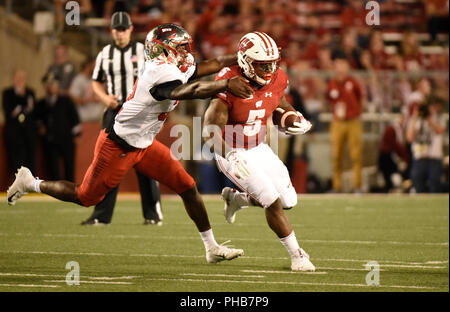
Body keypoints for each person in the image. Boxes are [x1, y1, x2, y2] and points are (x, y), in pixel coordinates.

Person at [7, 23, 253, 264]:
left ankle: (211, 248)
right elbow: (187, 91)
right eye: (180, 47)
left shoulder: (174, 65)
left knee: (188, 187)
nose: (186, 52)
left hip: (144, 145)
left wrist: (245, 57)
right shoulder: (159, 72)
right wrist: (224, 84)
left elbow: (215, 63)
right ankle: (31, 183)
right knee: (85, 196)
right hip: (118, 146)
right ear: (163, 50)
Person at [203, 32, 315, 272]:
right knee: (271, 200)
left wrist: (294, 118)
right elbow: (209, 132)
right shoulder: (229, 82)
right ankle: (298, 255)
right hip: (233, 151)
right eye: (263, 64)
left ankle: (237, 198)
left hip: (260, 146)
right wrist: (230, 155)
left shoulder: (278, 78)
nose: (269, 69)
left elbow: (278, 103)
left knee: (288, 201)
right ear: (245, 61)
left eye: (272, 63)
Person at [85, 11, 162, 226]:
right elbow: (96, 82)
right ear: (111, 31)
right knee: (107, 163)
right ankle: (102, 215)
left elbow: (156, 77)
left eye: (122, 29)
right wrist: (104, 98)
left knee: (145, 162)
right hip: (114, 111)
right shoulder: (105, 54)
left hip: (139, 112)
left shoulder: (142, 51)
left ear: (130, 29)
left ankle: (153, 214)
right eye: (115, 30)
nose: (119, 34)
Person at [327, 50, 364, 193]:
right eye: (337, 65)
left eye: (342, 64)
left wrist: (357, 113)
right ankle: (337, 186)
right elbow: (329, 100)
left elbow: (361, 99)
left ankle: (357, 186)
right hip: (338, 122)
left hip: (353, 121)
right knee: (336, 155)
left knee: (356, 155)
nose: (340, 68)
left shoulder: (353, 82)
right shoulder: (332, 84)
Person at [35, 73, 81, 181]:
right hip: (50, 141)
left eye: (53, 84)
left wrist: (77, 134)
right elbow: (36, 119)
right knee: (53, 169)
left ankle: (70, 192)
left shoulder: (66, 101)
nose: (51, 87)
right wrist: (40, 127)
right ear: (45, 86)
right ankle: (56, 192)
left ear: (58, 86)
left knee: (69, 167)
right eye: (48, 84)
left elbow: (75, 119)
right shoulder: (41, 103)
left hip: (67, 139)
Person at [406, 97, 447, 193]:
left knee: (435, 186)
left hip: (434, 159)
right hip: (420, 158)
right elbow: (409, 138)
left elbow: (440, 130)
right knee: (417, 185)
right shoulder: (417, 121)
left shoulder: (439, 118)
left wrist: (429, 119)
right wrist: (414, 117)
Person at [2, 69, 37, 175]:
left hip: (29, 132)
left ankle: (31, 187)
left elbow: (33, 112)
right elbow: (8, 112)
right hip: (15, 133)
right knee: (17, 161)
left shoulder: (30, 92)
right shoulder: (7, 93)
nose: (20, 80)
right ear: (14, 79)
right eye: (18, 78)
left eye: (23, 78)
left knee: (30, 160)